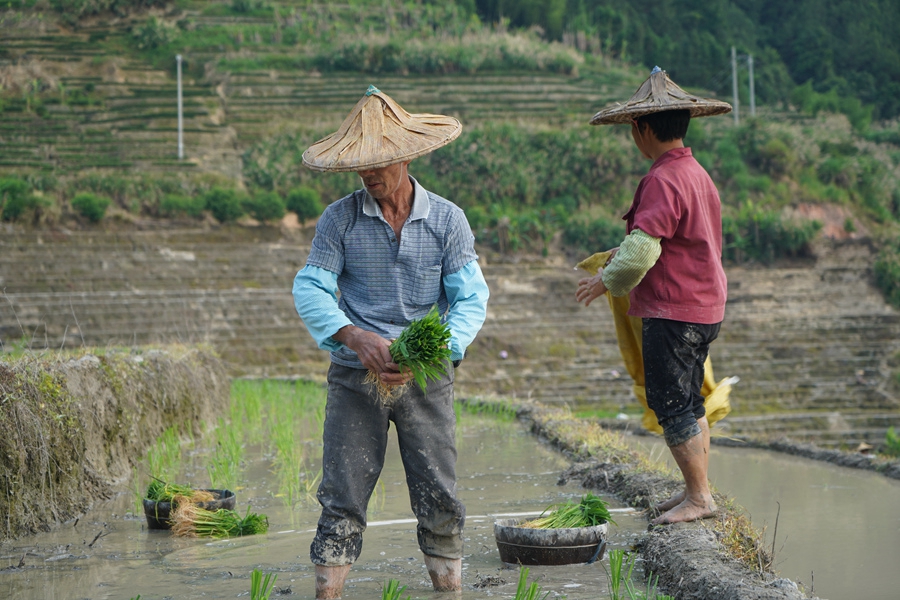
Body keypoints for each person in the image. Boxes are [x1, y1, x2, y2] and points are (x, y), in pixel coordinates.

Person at [292, 85, 489, 598]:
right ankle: (328, 591)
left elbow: (469, 299)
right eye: (362, 164)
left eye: (380, 162)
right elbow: (310, 287)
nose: (370, 173)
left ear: (407, 156)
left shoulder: (448, 219)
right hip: (356, 374)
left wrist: (438, 350)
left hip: (425, 373)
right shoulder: (340, 219)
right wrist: (354, 336)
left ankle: (449, 588)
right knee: (343, 493)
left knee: (438, 491)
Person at [575, 67, 732, 525]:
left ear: (642, 128)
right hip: (704, 306)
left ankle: (700, 497)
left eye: (632, 129)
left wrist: (604, 280)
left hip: (675, 309)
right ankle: (696, 491)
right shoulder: (696, 173)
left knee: (670, 401)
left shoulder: (663, 179)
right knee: (689, 400)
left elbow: (643, 248)